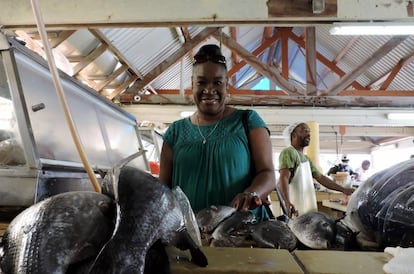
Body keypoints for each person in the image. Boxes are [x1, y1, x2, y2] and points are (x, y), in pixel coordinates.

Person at [159, 44, 276, 222]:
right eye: (201, 82)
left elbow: (267, 173)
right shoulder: (175, 132)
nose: (209, 89)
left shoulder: (247, 121)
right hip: (189, 235)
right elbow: (163, 190)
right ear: (192, 84)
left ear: (226, 85)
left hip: (242, 233)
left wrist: (252, 193)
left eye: (217, 82)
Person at [277, 122, 354, 217]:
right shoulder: (289, 152)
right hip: (295, 208)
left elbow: (320, 177)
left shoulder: (306, 159)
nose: (309, 134)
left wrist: (343, 189)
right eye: (304, 131)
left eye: (309, 132)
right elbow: (283, 178)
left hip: (306, 207)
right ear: (294, 135)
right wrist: (287, 202)